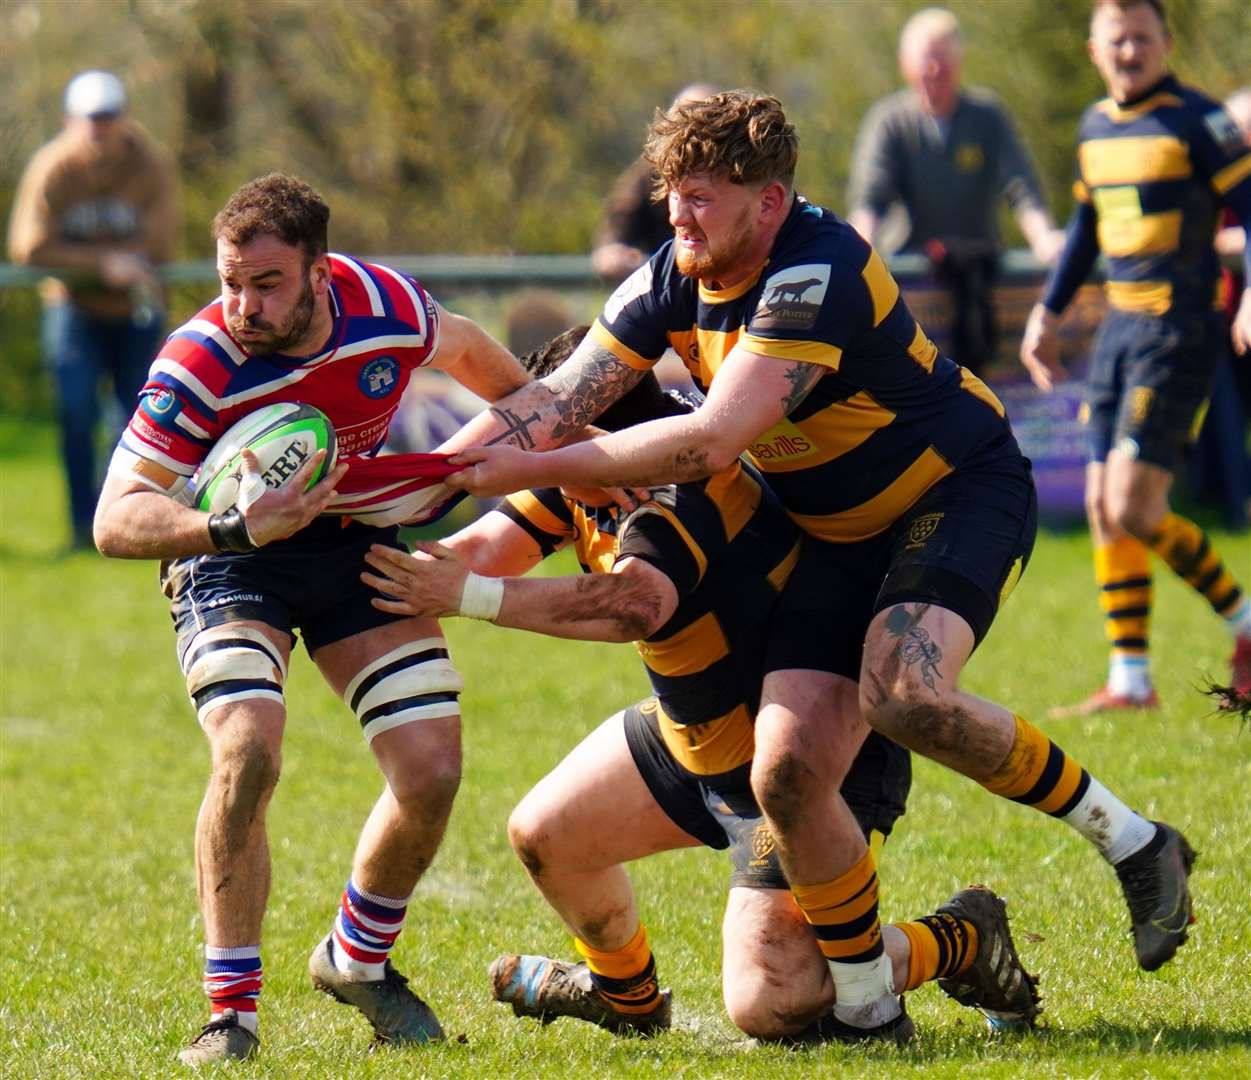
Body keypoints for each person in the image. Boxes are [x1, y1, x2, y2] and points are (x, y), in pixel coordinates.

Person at [433, 90, 1195, 1041]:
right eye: (672, 192)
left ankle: (1133, 842)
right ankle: (879, 1010)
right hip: (830, 536)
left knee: (904, 696)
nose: (678, 215)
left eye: (701, 196)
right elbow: (550, 398)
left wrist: (526, 471)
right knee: (784, 771)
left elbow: (707, 441)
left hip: (949, 494)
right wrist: (412, 484)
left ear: (770, 200)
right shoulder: (672, 274)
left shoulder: (816, 271)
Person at [364, 327, 1040, 1042]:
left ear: (589, 431)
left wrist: (463, 595)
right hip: (695, 731)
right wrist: (370, 567)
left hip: (801, 755)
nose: (535, 453)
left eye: (544, 432)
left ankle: (963, 936)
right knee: (546, 835)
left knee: (773, 1001)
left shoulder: (681, 480)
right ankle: (625, 996)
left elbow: (634, 603)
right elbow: (479, 551)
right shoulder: (588, 473)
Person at [92, 173, 534, 1064]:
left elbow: (482, 361)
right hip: (230, 558)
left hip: (350, 545)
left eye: (266, 284)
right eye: (229, 282)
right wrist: (232, 524)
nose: (243, 305)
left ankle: (355, 960)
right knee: (248, 746)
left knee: (432, 768)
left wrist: (536, 444)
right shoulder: (199, 358)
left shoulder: (386, 307)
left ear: (320, 273)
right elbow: (115, 518)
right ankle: (231, 1014)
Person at [1019, 0, 1251, 715]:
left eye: (1140, 38)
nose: (1128, 51)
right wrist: (1046, 313)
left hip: (1178, 332)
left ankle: (1244, 622)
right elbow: (1086, 226)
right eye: (1115, 40)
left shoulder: (1200, 121)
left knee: (1132, 504)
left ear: (1164, 43)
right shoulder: (1093, 127)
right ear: (1094, 48)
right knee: (1099, 506)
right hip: (1117, 331)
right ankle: (1129, 680)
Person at [7, 69, 179, 551]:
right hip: (74, 310)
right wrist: (105, 263)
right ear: (70, 120)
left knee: (139, 419)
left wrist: (131, 263)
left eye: (108, 117)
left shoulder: (150, 165)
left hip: (137, 310)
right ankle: (83, 527)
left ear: (124, 118)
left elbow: (163, 239)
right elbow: (28, 244)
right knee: (76, 411)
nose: (99, 128)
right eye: (90, 119)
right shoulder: (54, 166)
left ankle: (130, 522)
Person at [847, 8, 1065, 372]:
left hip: (981, 278)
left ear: (959, 62)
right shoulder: (890, 122)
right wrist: (858, 250)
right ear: (906, 65)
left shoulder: (988, 117)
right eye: (926, 61)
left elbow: (1021, 186)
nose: (934, 71)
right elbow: (871, 197)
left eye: (943, 61)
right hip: (913, 281)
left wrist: (1045, 238)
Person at [590, 83, 719, 281]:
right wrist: (612, 248)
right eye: (686, 116)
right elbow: (621, 216)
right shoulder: (651, 171)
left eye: (707, 117)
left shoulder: (739, 171)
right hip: (667, 287)